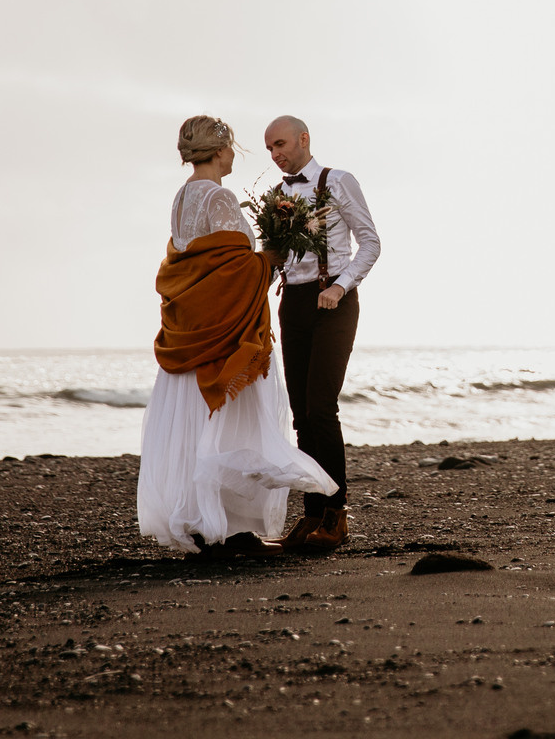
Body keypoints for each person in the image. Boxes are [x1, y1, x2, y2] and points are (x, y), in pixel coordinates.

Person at [134, 115, 336, 553]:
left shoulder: (181, 197)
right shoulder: (219, 197)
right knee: (230, 426)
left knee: (198, 427)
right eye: (233, 149)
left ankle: (201, 520)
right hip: (225, 332)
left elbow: (194, 267)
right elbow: (232, 272)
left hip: (192, 325)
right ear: (220, 150)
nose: (234, 157)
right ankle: (228, 527)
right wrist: (275, 253)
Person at [263, 114, 380, 554]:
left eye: (281, 145)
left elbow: (370, 242)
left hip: (333, 302)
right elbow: (278, 256)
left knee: (321, 407)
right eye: (270, 148)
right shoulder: (277, 195)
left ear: (303, 139)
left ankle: (336, 513)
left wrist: (339, 285)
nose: (276, 155)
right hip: (292, 304)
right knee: (300, 415)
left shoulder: (338, 180)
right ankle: (312, 512)